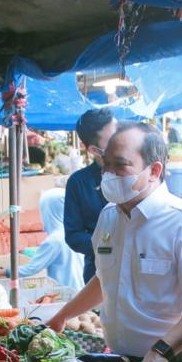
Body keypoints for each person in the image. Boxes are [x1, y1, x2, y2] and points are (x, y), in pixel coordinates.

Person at [47, 122, 182, 362]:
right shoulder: (108, 216)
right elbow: (105, 280)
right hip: (123, 361)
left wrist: (161, 351)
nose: (109, 174)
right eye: (106, 165)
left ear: (154, 170)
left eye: (121, 165)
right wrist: (60, 317)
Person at [0, 189, 84, 292]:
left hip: (65, 292)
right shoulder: (76, 231)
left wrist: (3, 272)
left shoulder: (54, 240)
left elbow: (32, 268)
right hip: (81, 289)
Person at [64, 108, 115, 283]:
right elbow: (73, 235)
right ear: (95, 149)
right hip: (98, 272)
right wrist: (109, 246)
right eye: (113, 140)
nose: (122, 142)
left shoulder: (139, 174)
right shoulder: (78, 182)